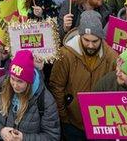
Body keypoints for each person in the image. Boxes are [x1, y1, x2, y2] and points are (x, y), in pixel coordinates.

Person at [48, 10, 118, 141]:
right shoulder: (65, 54)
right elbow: (57, 86)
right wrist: (64, 117)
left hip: (101, 125)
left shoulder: (112, 57)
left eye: (95, 41)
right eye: (86, 40)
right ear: (80, 36)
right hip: (73, 123)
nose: (90, 45)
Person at [0, 50, 60, 141]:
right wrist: (0, 131)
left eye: (20, 81)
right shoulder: (2, 84)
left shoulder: (46, 101)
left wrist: (24, 138)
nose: (14, 85)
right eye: (12, 78)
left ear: (30, 81)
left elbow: (52, 137)